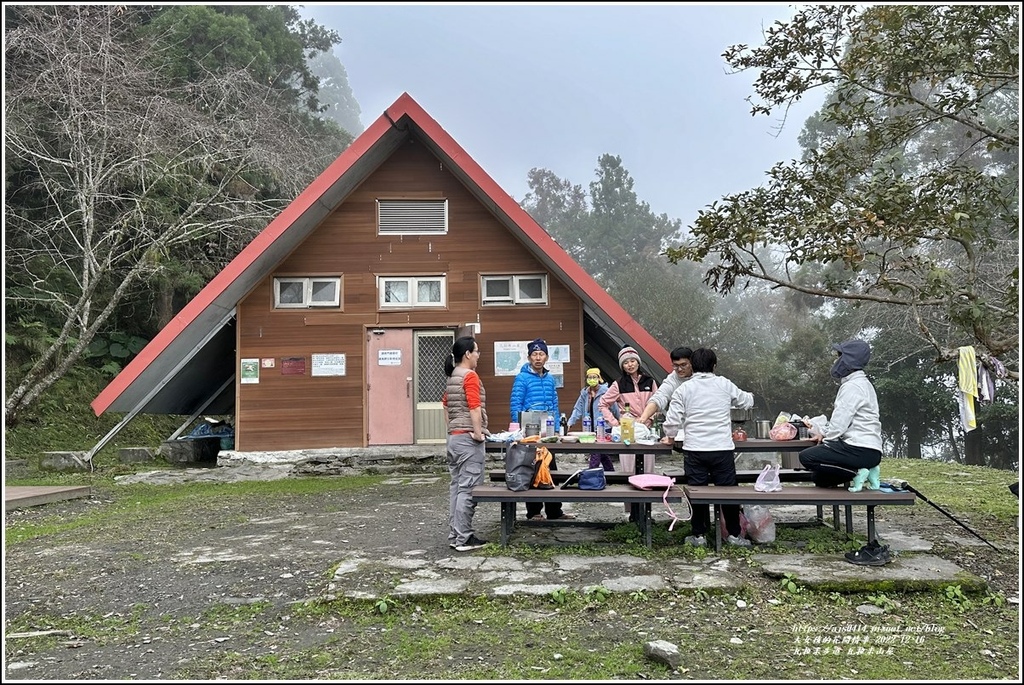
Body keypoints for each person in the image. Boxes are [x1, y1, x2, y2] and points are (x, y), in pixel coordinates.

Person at [661, 347, 754, 548]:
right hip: (722, 449)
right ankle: (734, 535)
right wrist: (748, 397)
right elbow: (747, 401)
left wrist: (670, 436)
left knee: (697, 492)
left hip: (695, 449)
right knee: (728, 492)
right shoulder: (724, 384)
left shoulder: (684, 389)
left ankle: (699, 535)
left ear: (693, 366)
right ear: (714, 365)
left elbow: (672, 419)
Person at [799, 339, 883, 489]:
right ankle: (865, 470)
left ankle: (858, 471)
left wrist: (825, 438)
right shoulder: (864, 384)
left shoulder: (852, 386)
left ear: (848, 360)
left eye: (839, 357)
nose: (836, 361)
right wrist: (824, 434)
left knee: (806, 457)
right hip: (871, 450)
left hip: (858, 448)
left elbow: (839, 424)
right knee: (820, 479)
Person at [509, 338, 574, 521]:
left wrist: (557, 427)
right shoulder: (522, 378)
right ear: (529, 357)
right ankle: (534, 512)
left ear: (546, 357)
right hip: (529, 429)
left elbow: (554, 404)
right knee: (533, 468)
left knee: (551, 467)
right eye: (534, 354)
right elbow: (515, 404)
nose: (538, 358)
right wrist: (518, 428)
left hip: (548, 429)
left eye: (541, 354)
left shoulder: (550, 379)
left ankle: (554, 511)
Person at [442, 336, 489, 552]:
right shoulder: (469, 376)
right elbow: (474, 407)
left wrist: (452, 428)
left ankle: (455, 534)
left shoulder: (453, 376)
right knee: (469, 488)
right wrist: (478, 433)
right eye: (476, 351)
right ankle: (464, 538)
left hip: (454, 438)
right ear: (468, 354)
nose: (478, 355)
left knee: (457, 487)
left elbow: (445, 404)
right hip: (468, 440)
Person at [599, 346, 658, 475]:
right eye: (625, 362)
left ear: (638, 362)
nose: (630, 365)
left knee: (647, 470)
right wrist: (614, 423)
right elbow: (603, 404)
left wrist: (650, 418)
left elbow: (658, 402)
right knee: (628, 471)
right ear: (622, 366)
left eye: (632, 361)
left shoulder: (650, 381)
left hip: (646, 431)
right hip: (627, 431)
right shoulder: (619, 384)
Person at [567, 367, 616, 471]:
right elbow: (578, 408)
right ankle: (611, 473)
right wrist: (571, 422)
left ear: (599, 378)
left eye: (594, 377)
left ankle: (591, 474)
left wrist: (618, 422)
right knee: (602, 453)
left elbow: (615, 408)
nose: (592, 379)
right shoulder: (585, 393)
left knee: (595, 453)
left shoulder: (606, 392)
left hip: (603, 427)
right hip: (589, 428)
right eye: (590, 377)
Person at [637, 346, 694, 429]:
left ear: (692, 363)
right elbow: (659, 397)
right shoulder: (672, 379)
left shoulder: (701, 377)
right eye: (675, 365)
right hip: (681, 427)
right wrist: (643, 418)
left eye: (683, 365)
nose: (679, 369)